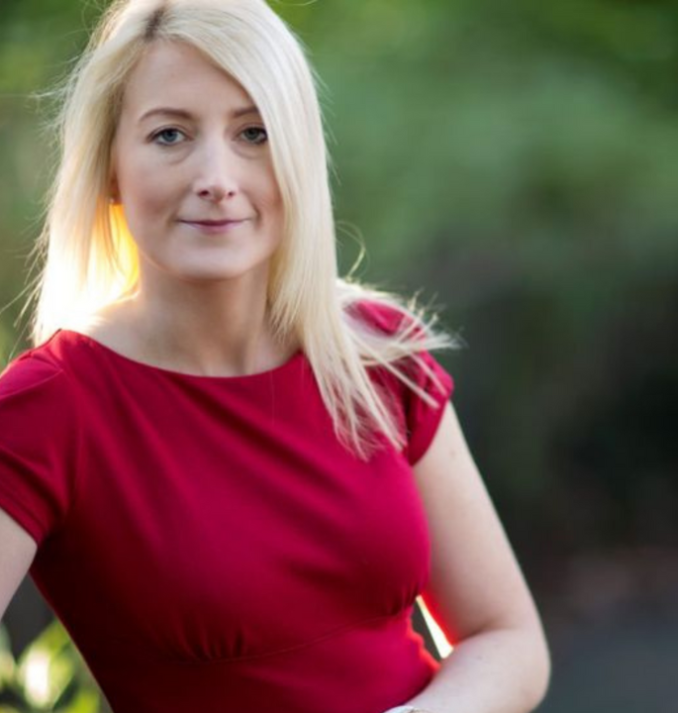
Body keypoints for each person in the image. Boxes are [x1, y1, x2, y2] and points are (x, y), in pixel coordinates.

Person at [0, 1, 551, 712]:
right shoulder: (50, 407)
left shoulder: (377, 355)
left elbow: (505, 636)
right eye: (170, 134)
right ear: (109, 166)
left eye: (254, 132)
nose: (217, 176)